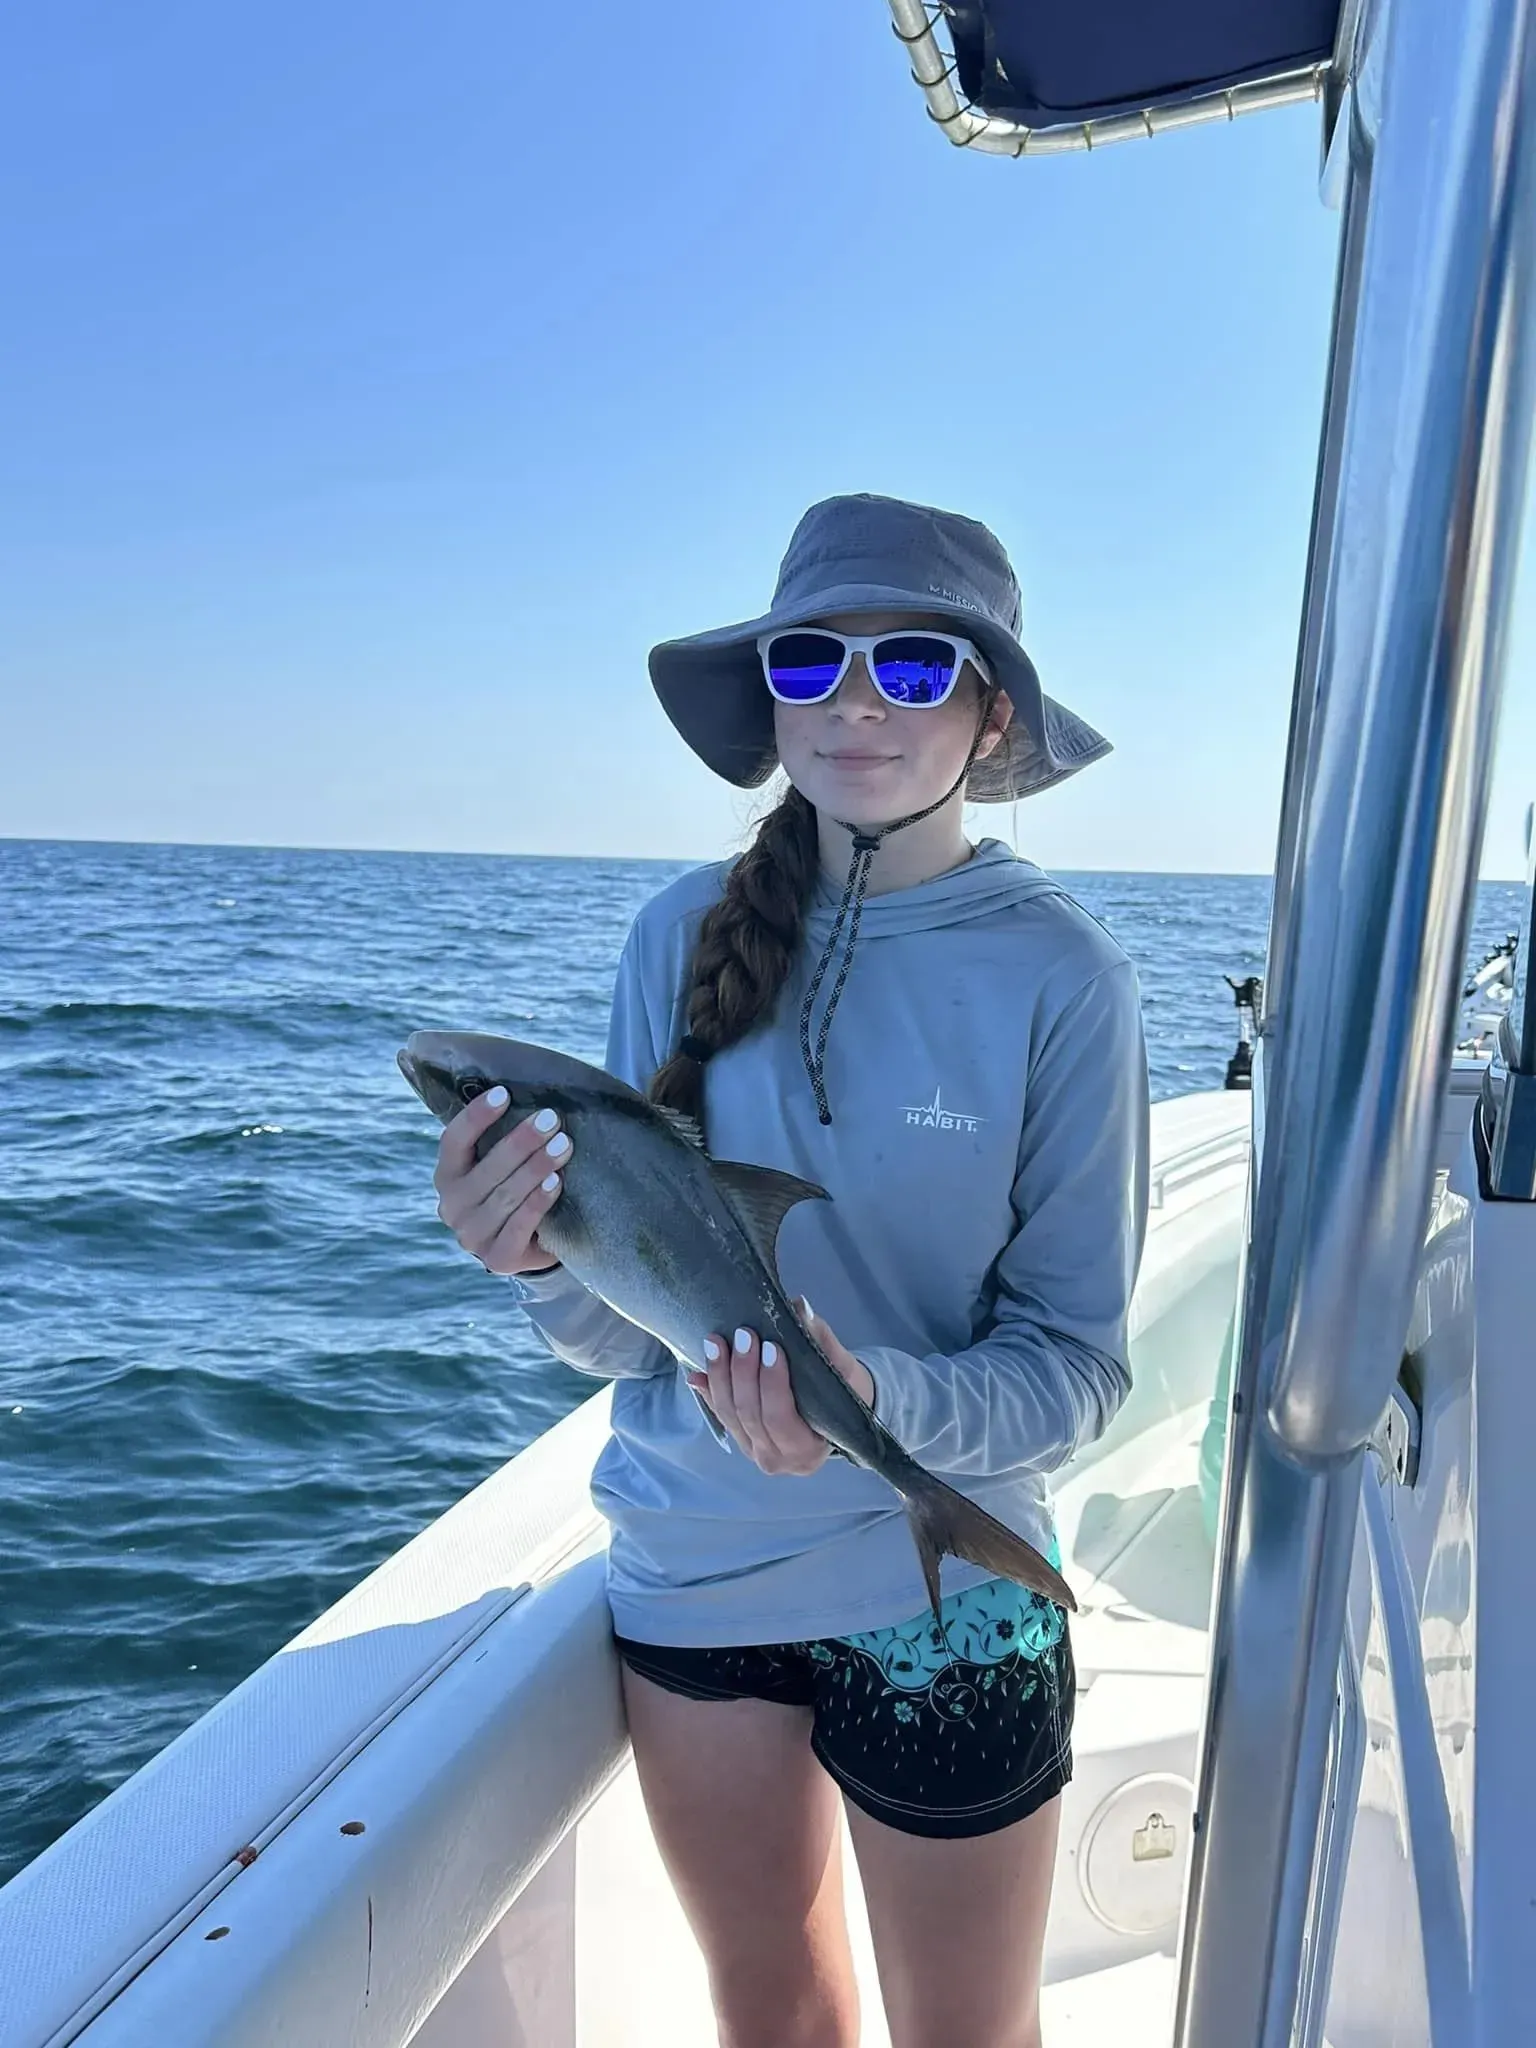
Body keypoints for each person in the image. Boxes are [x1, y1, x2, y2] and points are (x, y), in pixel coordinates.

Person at [432, 494, 1150, 2048]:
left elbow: (1078, 1366)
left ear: (991, 708)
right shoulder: (676, 934)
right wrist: (527, 1255)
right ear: (770, 695)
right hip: (693, 1578)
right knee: (771, 2016)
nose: (853, 703)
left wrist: (872, 1402)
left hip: (946, 1594)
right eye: (814, 660)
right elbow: (621, 1338)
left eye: (912, 667)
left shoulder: (1063, 979)